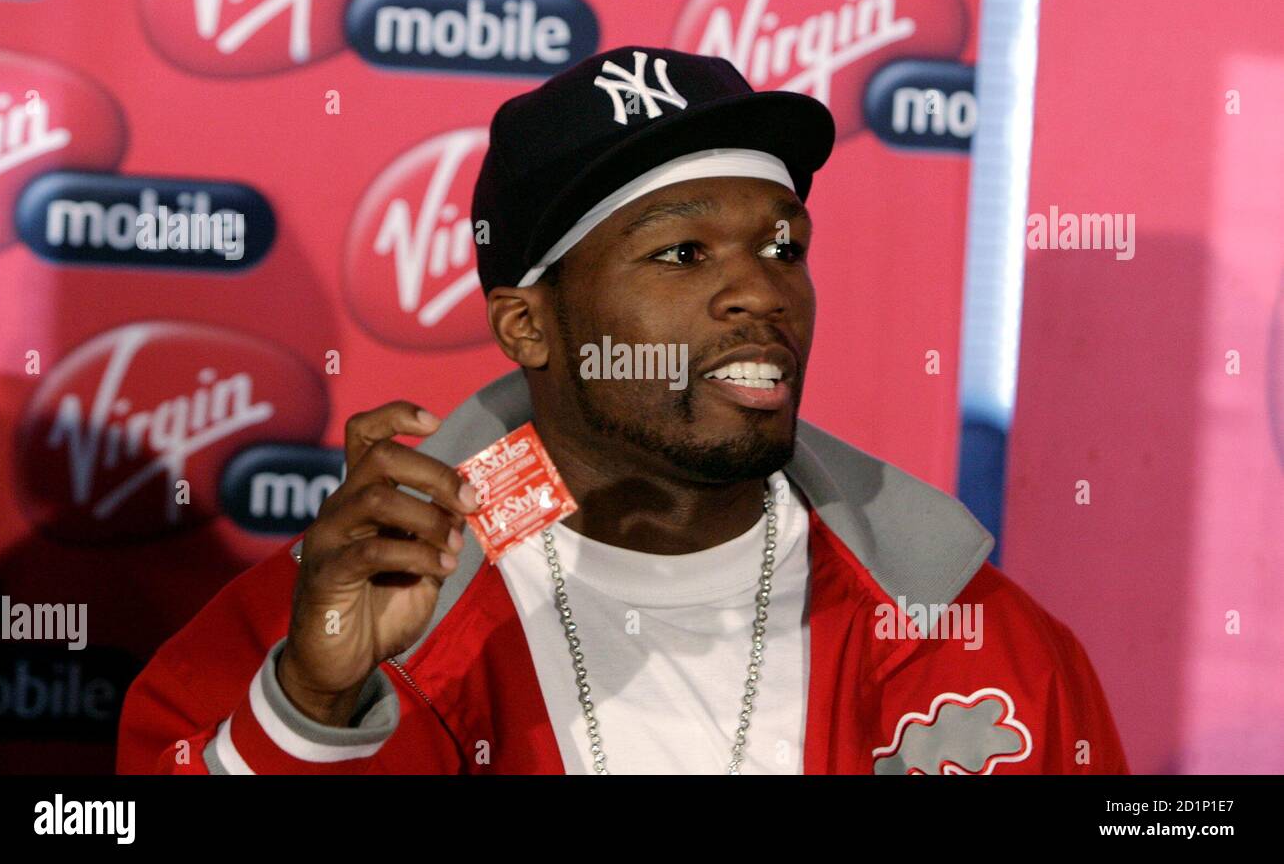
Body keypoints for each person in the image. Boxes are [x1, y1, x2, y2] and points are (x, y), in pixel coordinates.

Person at [117, 45, 1128, 775]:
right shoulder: (305, 639)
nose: (760, 293)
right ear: (528, 326)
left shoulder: (980, 639)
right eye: (683, 253)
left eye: (781, 246)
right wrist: (310, 711)